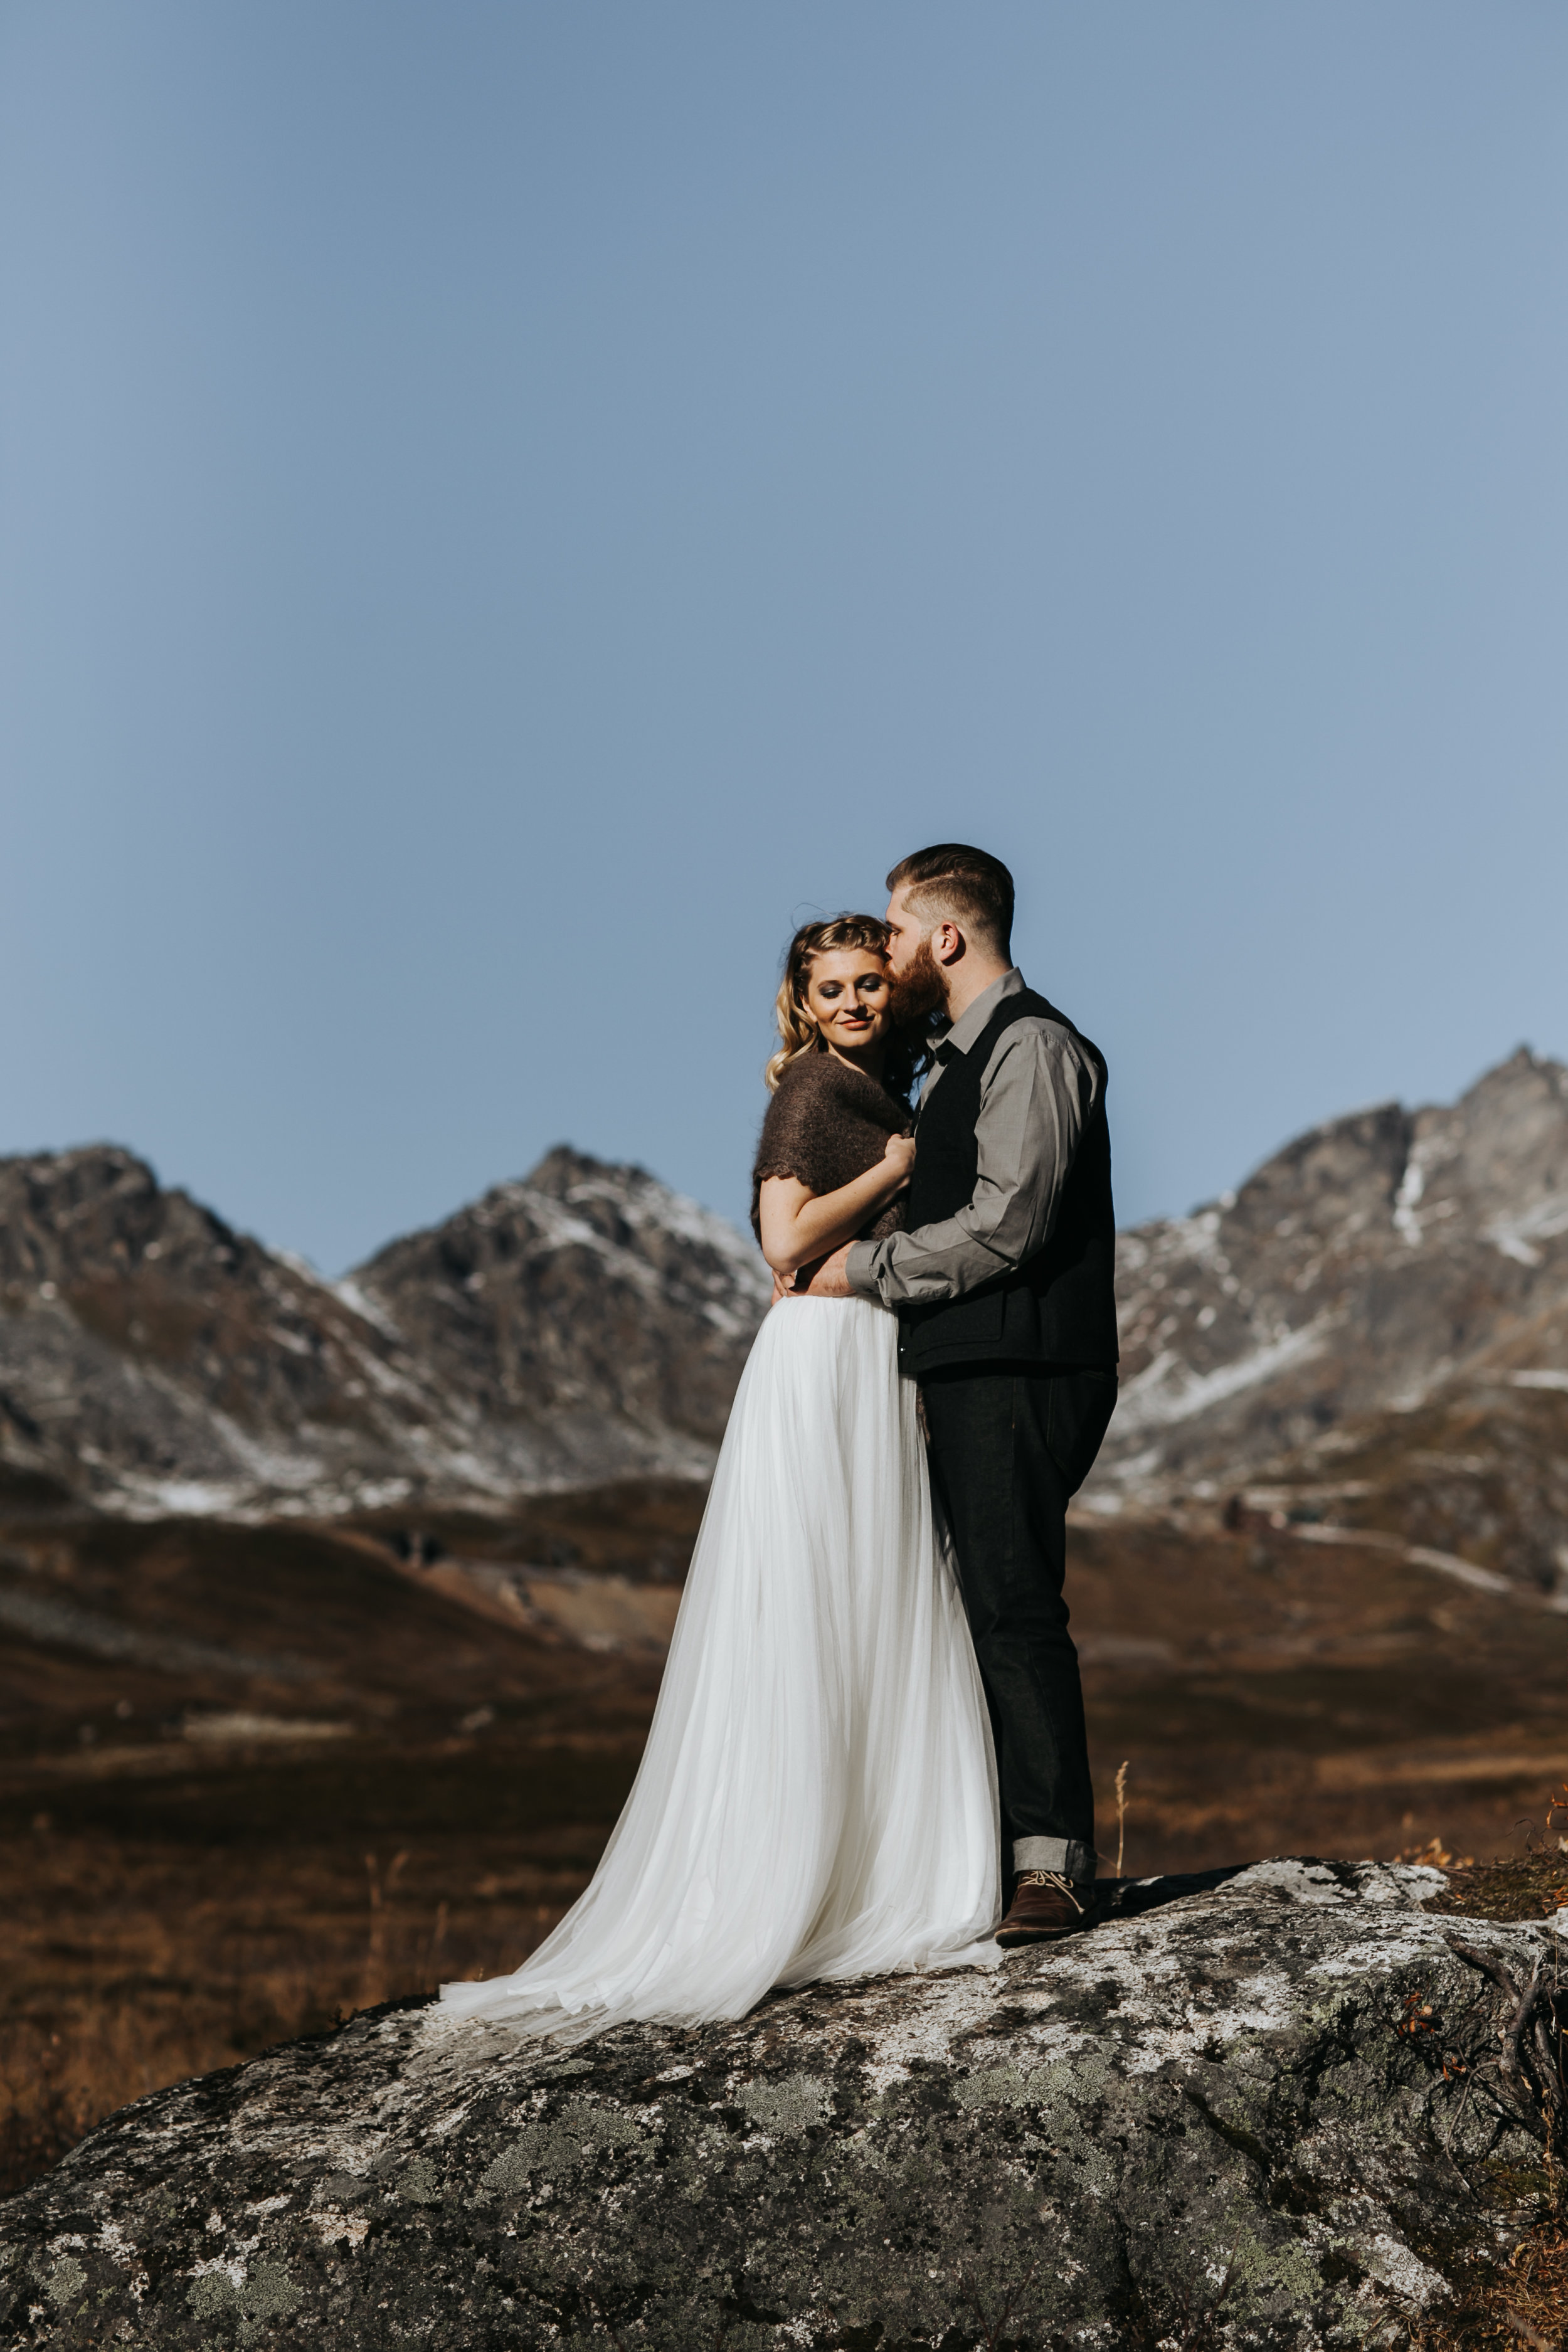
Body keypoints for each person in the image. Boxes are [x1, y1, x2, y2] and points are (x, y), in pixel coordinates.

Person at [438, 914, 999, 2042]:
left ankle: (879, 1874)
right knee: (813, 1604)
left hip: (870, 1355)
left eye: (866, 985)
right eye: (830, 988)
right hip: (819, 1360)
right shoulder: (810, 1091)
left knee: (873, 1604)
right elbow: (781, 1244)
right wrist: (893, 1168)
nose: (852, 1002)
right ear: (803, 1000)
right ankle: (787, 1885)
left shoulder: (881, 1077)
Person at [781, 846, 1118, 1947]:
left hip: (1021, 1364)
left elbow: (1007, 1225)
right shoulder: (953, 1058)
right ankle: (982, 1856)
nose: (883, 947)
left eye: (895, 928)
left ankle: (1056, 1868)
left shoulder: (1036, 1049)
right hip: (969, 1363)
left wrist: (859, 1273)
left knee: (1015, 1603)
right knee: (977, 1605)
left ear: (947, 937)